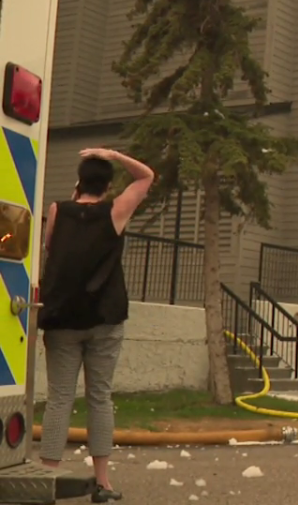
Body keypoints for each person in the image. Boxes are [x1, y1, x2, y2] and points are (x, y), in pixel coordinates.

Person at [38, 148, 154, 503]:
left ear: (79, 182)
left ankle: (48, 478)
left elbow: (49, 247)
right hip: (104, 319)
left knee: (59, 399)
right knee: (99, 398)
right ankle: (102, 483)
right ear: (107, 185)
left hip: (61, 319)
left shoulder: (59, 209)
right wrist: (116, 154)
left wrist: (75, 197)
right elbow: (147, 176)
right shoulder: (116, 212)